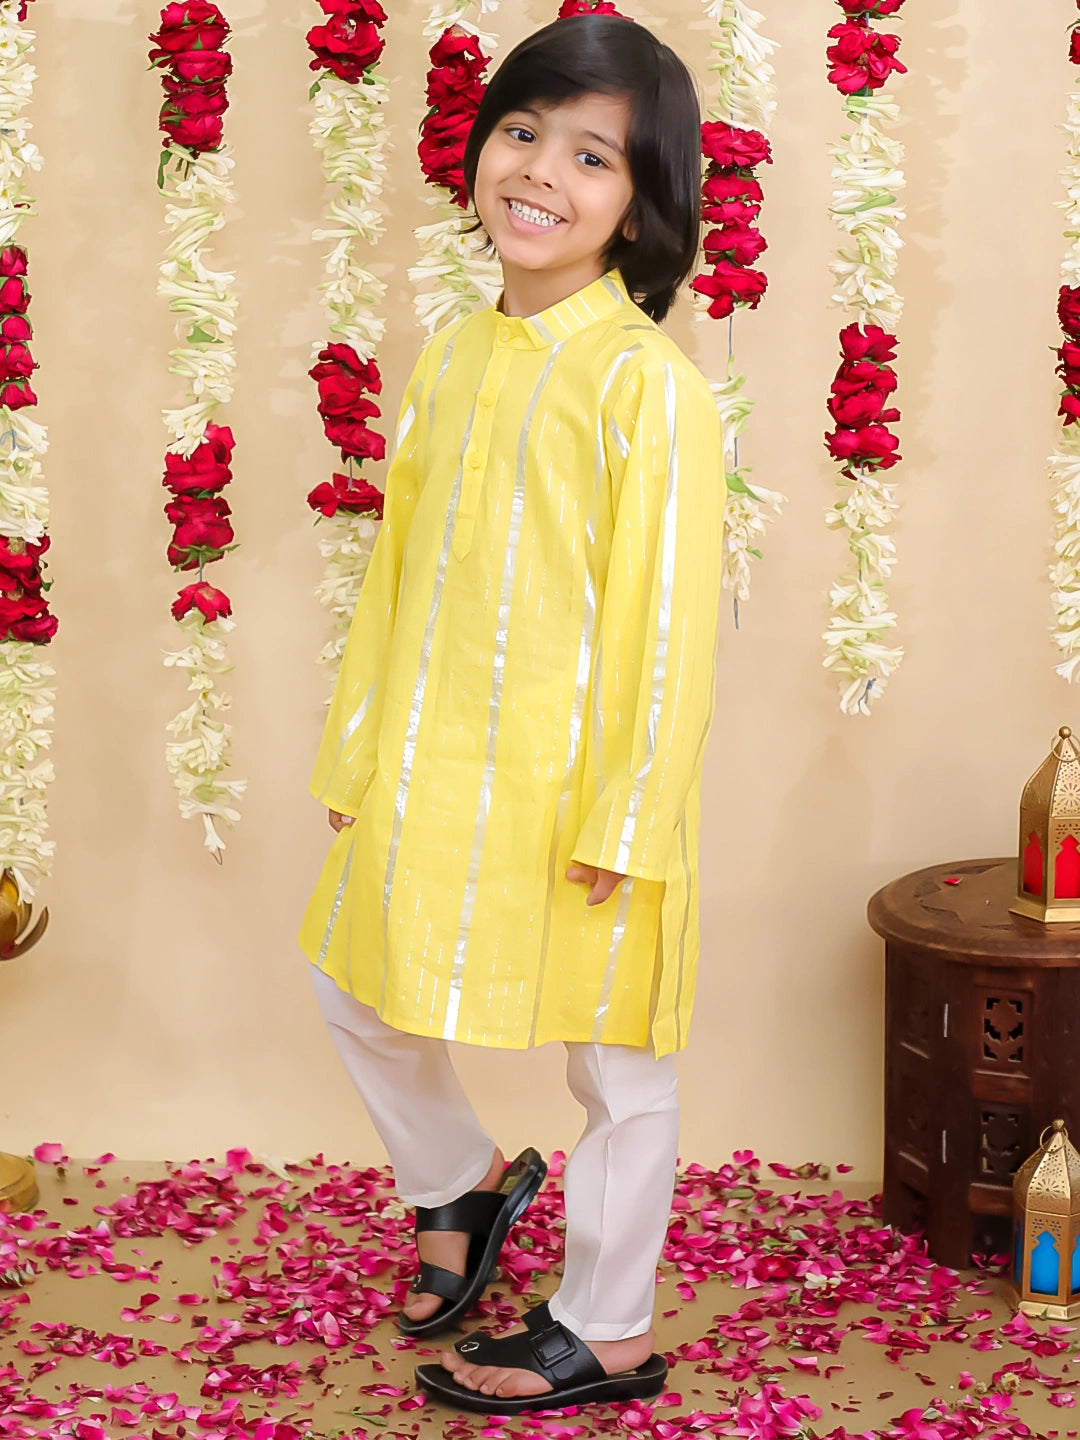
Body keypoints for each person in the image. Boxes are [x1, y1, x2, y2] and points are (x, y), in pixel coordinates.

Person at [299, 12, 725, 1416]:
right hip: (437, 760)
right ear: (480, 150)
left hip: (583, 790)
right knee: (349, 979)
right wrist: (360, 749)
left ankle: (606, 1328)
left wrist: (628, 814)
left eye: (593, 155)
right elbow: (399, 577)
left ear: (641, 205)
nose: (542, 170)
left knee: (619, 1066)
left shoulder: (646, 387)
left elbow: (667, 630)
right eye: (524, 132)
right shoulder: (455, 357)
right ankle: (460, 1182)